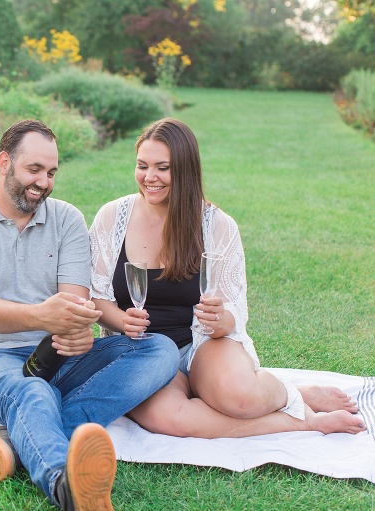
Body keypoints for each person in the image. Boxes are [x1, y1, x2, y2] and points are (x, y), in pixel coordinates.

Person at [0, 119, 180, 510]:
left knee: (160, 350)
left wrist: (79, 329)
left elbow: (74, 303)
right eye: (34, 170)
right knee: (32, 389)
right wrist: (45, 317)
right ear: (4, 163)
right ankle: (67, 485)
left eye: (51, 173)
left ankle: (20, 435)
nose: (44, 182)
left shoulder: (65, 219)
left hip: (57, 352)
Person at [88, 117, 367, 438]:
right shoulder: (111, 218)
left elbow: (235, 314)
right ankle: (304, 419)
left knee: (241, 399)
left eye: (162, 167)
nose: (150, 177)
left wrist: (219, 320)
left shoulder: (216, 226)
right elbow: (97, 297)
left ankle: (286, 392)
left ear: (185, 169)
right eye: (142, 166)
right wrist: (122, 321)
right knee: (167, 418)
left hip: (202, 345)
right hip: (142, 351)